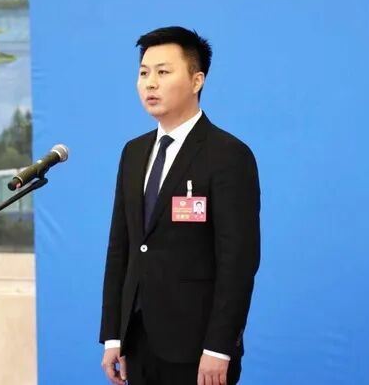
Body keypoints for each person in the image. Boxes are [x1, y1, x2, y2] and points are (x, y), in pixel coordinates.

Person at [99, 26, 261, 385]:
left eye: (163, 72)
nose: (150, 83)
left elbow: (238, 262)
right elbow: (121, 248)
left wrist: (220, 347)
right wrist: (113, 335)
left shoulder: (228, 155)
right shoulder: (133, 152)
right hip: (138, 340)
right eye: (144, 73)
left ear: (196, 80)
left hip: (198, 348)